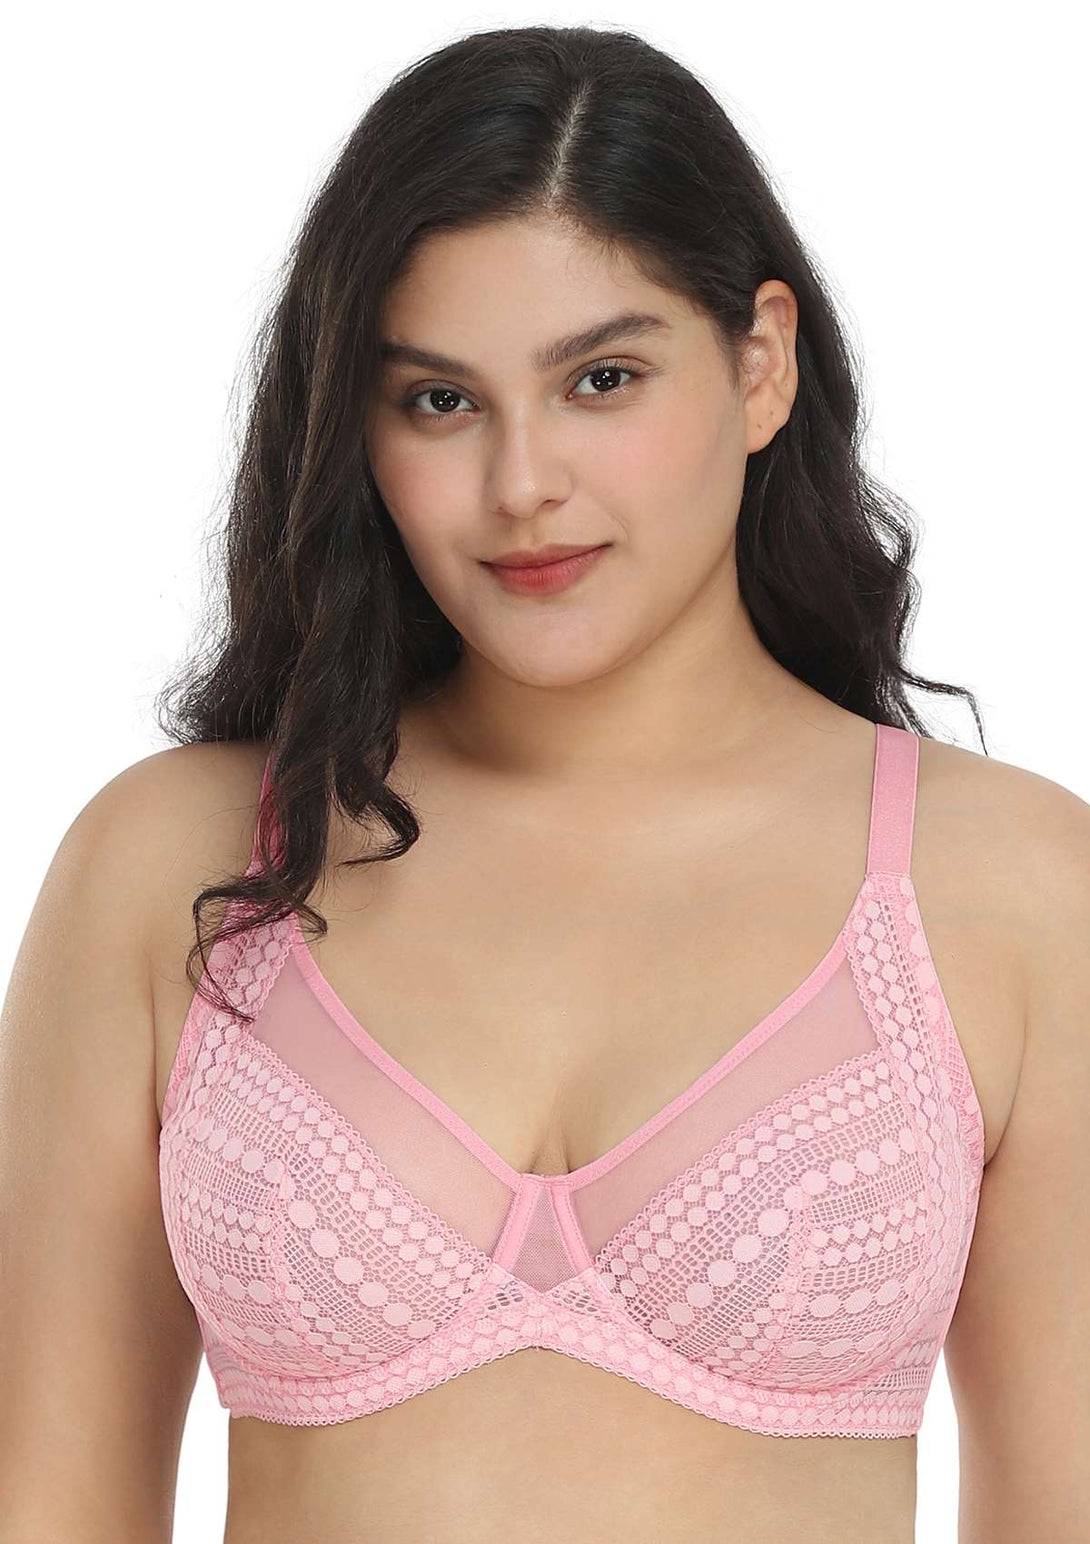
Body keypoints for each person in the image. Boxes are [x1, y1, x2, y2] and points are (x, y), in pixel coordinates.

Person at [2, 22, 1087, 1544]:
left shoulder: (1011, 889)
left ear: (761, 364)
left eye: (602, 378)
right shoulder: (177, 863)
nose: (522, 485)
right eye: (439, 401)